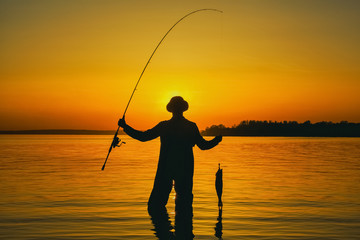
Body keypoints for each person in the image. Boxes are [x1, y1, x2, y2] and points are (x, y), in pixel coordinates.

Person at [118, 96, 222, 213]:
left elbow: (143, 137)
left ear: (171, 109)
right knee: (184, 207)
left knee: (156, 206)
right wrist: (216, 140)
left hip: (166, 169)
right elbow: (203, 146)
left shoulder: (165, 126)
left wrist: (125, 127)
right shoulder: (190, 126)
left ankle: (161, 228)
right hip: (184, 170)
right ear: (183, 109)